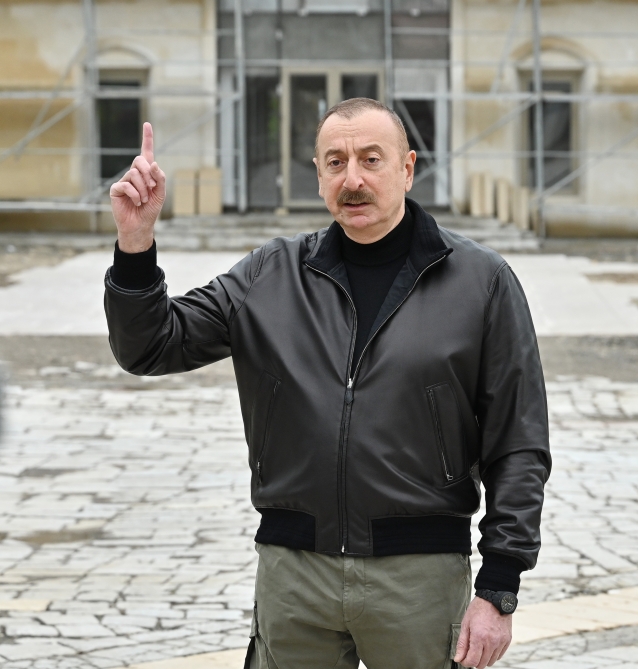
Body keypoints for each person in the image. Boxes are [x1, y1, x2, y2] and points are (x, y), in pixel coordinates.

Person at [105, 98, 550, 669]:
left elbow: (518, 441)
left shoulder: (482, 283)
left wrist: (500, 583)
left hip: (419, 577)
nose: (353, 179)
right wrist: (135, 245)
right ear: (318, 176)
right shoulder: (270, 275)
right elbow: (150, 346)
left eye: (371, 159)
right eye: (335, 162)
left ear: (407, 168)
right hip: (294, 574)